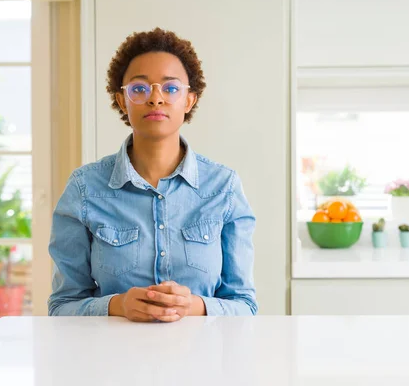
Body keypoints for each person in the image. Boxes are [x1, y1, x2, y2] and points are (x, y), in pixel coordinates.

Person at [47, 28, 257, 322]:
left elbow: (245, 306)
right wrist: (118, 305)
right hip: (111, 362)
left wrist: (194, 306)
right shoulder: (84, 189)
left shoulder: (224, 187)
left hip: (204, 362)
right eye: (139, 89)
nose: (156, 99)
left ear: (189, 101)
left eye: (171, 88)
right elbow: (61, 307)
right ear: (122, 101)